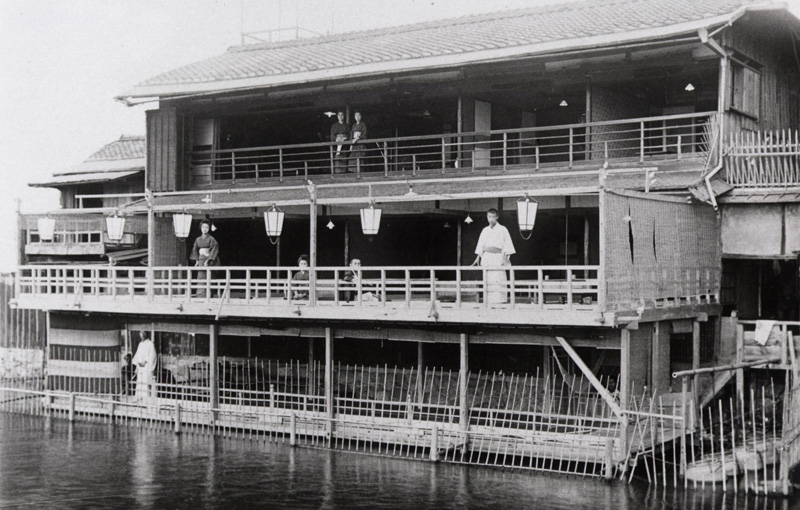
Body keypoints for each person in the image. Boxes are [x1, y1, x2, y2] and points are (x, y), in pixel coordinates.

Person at [472, 208, 516, 304]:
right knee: (488, 280)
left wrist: (505, 257)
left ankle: (501, 301)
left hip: (497, 257)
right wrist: (478, 257)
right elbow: (480, 245)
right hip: (487, 257)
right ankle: (488, 301)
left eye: (493, 217)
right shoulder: (485, 230)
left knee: (498, 279)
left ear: (497, 217)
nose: (491, 219)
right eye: (489, 217)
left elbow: (507, 244)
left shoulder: (503, 229)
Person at [131, 334, 157, 401]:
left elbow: (153, 355)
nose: (142, 336)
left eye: (143, 334)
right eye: (140, 334)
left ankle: (146, 399)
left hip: (146, 366)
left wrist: (145, 361)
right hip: (140, 367)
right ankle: (139, 397)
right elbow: (138, 355)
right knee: (139, 382)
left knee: (146, 382)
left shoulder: (150, 344)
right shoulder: (140, 344)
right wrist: (137, 366)